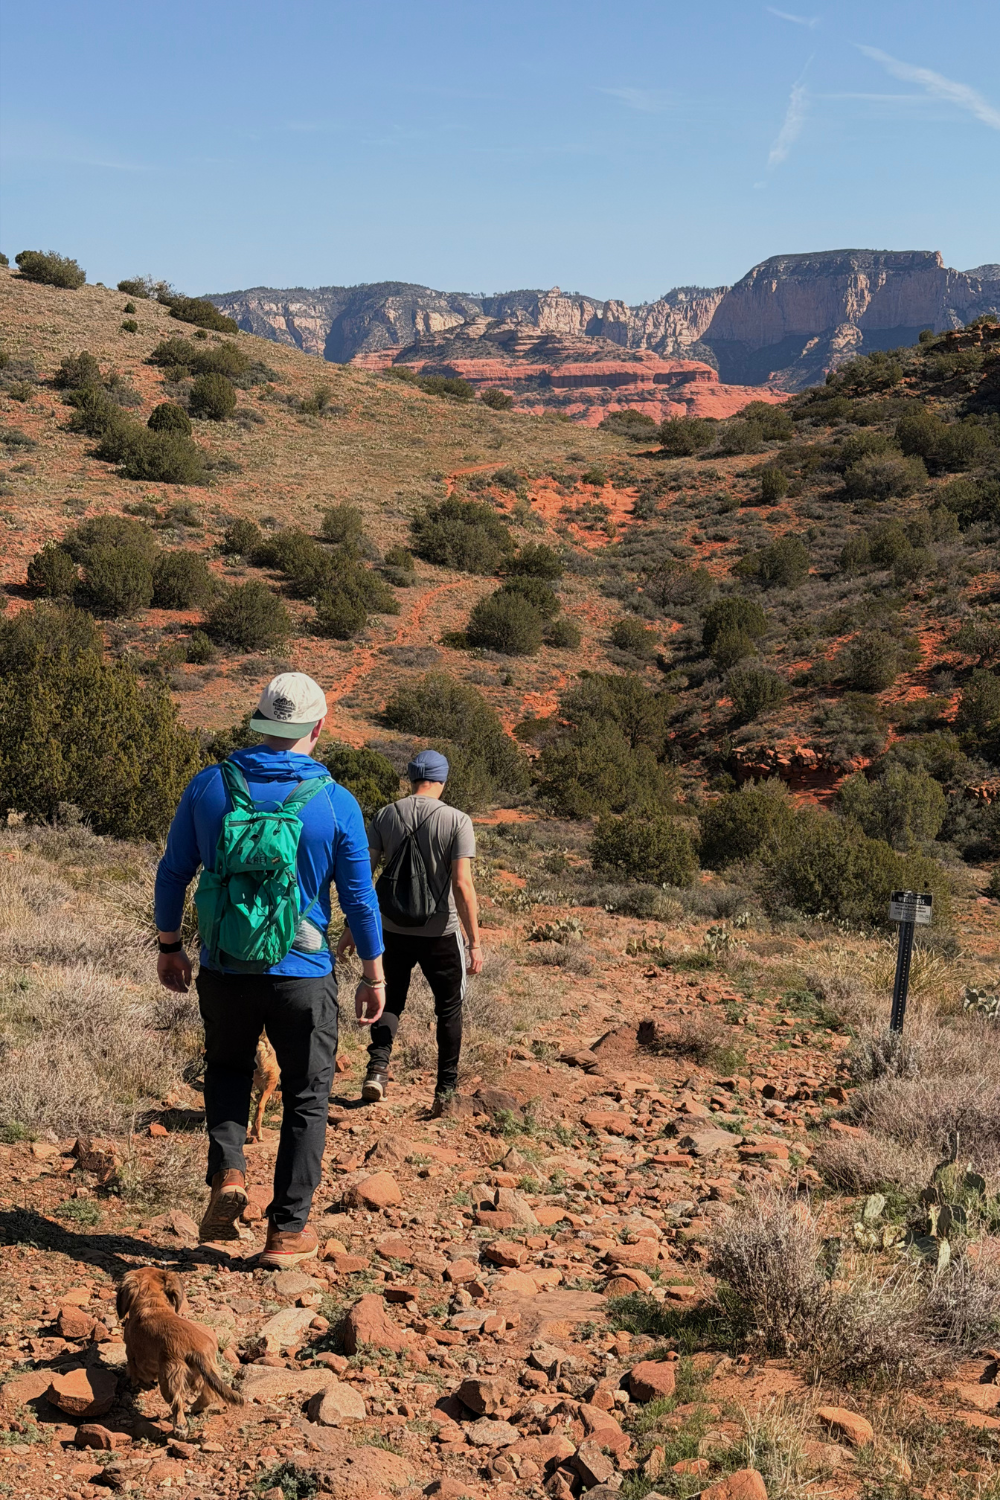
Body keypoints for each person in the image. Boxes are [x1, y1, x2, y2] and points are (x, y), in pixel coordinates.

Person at [154, 673, 385, 1267]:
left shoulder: (210, 786)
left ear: (258, 719)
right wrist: (373, 973)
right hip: (303, 974)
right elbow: (359, 899)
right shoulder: (335, 802)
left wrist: (171, 944)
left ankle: (230, 1170)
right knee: (308, 1094)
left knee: (227, 1069)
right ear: (319, 726)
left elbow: (172, 871)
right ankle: (285, 1232)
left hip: (226, 968)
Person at [339, 748, 482, 1112]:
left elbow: (362, 879)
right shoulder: (457, 821)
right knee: (449, 1009)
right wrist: (475, 941)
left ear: (412, 777)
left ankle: (376, 1071)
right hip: (440, 932)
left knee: (389, 998)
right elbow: (463, 885)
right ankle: (445, 1093)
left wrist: (353, 927)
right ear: (443, 779)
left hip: (389, 928)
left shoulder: (386, 815)